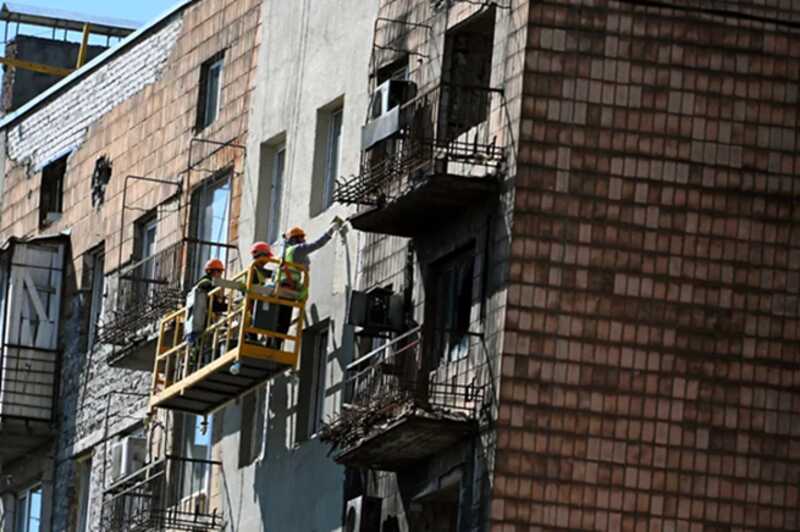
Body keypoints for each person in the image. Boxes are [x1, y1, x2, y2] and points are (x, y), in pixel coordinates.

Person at [271, 218, 343, 347]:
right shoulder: (298, 249)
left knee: (277, 318)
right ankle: (276, 346)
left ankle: (272, 344)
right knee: (284, 320)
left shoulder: (287, 252)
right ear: (297, 239)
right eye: (301, 238)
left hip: (281, 288)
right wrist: (330, 231)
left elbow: (304, 263)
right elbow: (316, 244)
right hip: (288, 289)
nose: (304, 240)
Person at [183, 259, 228, 371]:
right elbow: (212, 304)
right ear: (213, 271)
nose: (220, 275)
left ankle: (194, 364)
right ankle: (195, 365)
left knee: (198, 344)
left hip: (199, 319)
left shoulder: (204, 284)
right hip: (201, 319)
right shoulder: (207, 283)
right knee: (199, 344)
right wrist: (227, 306)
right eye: (219, 272)